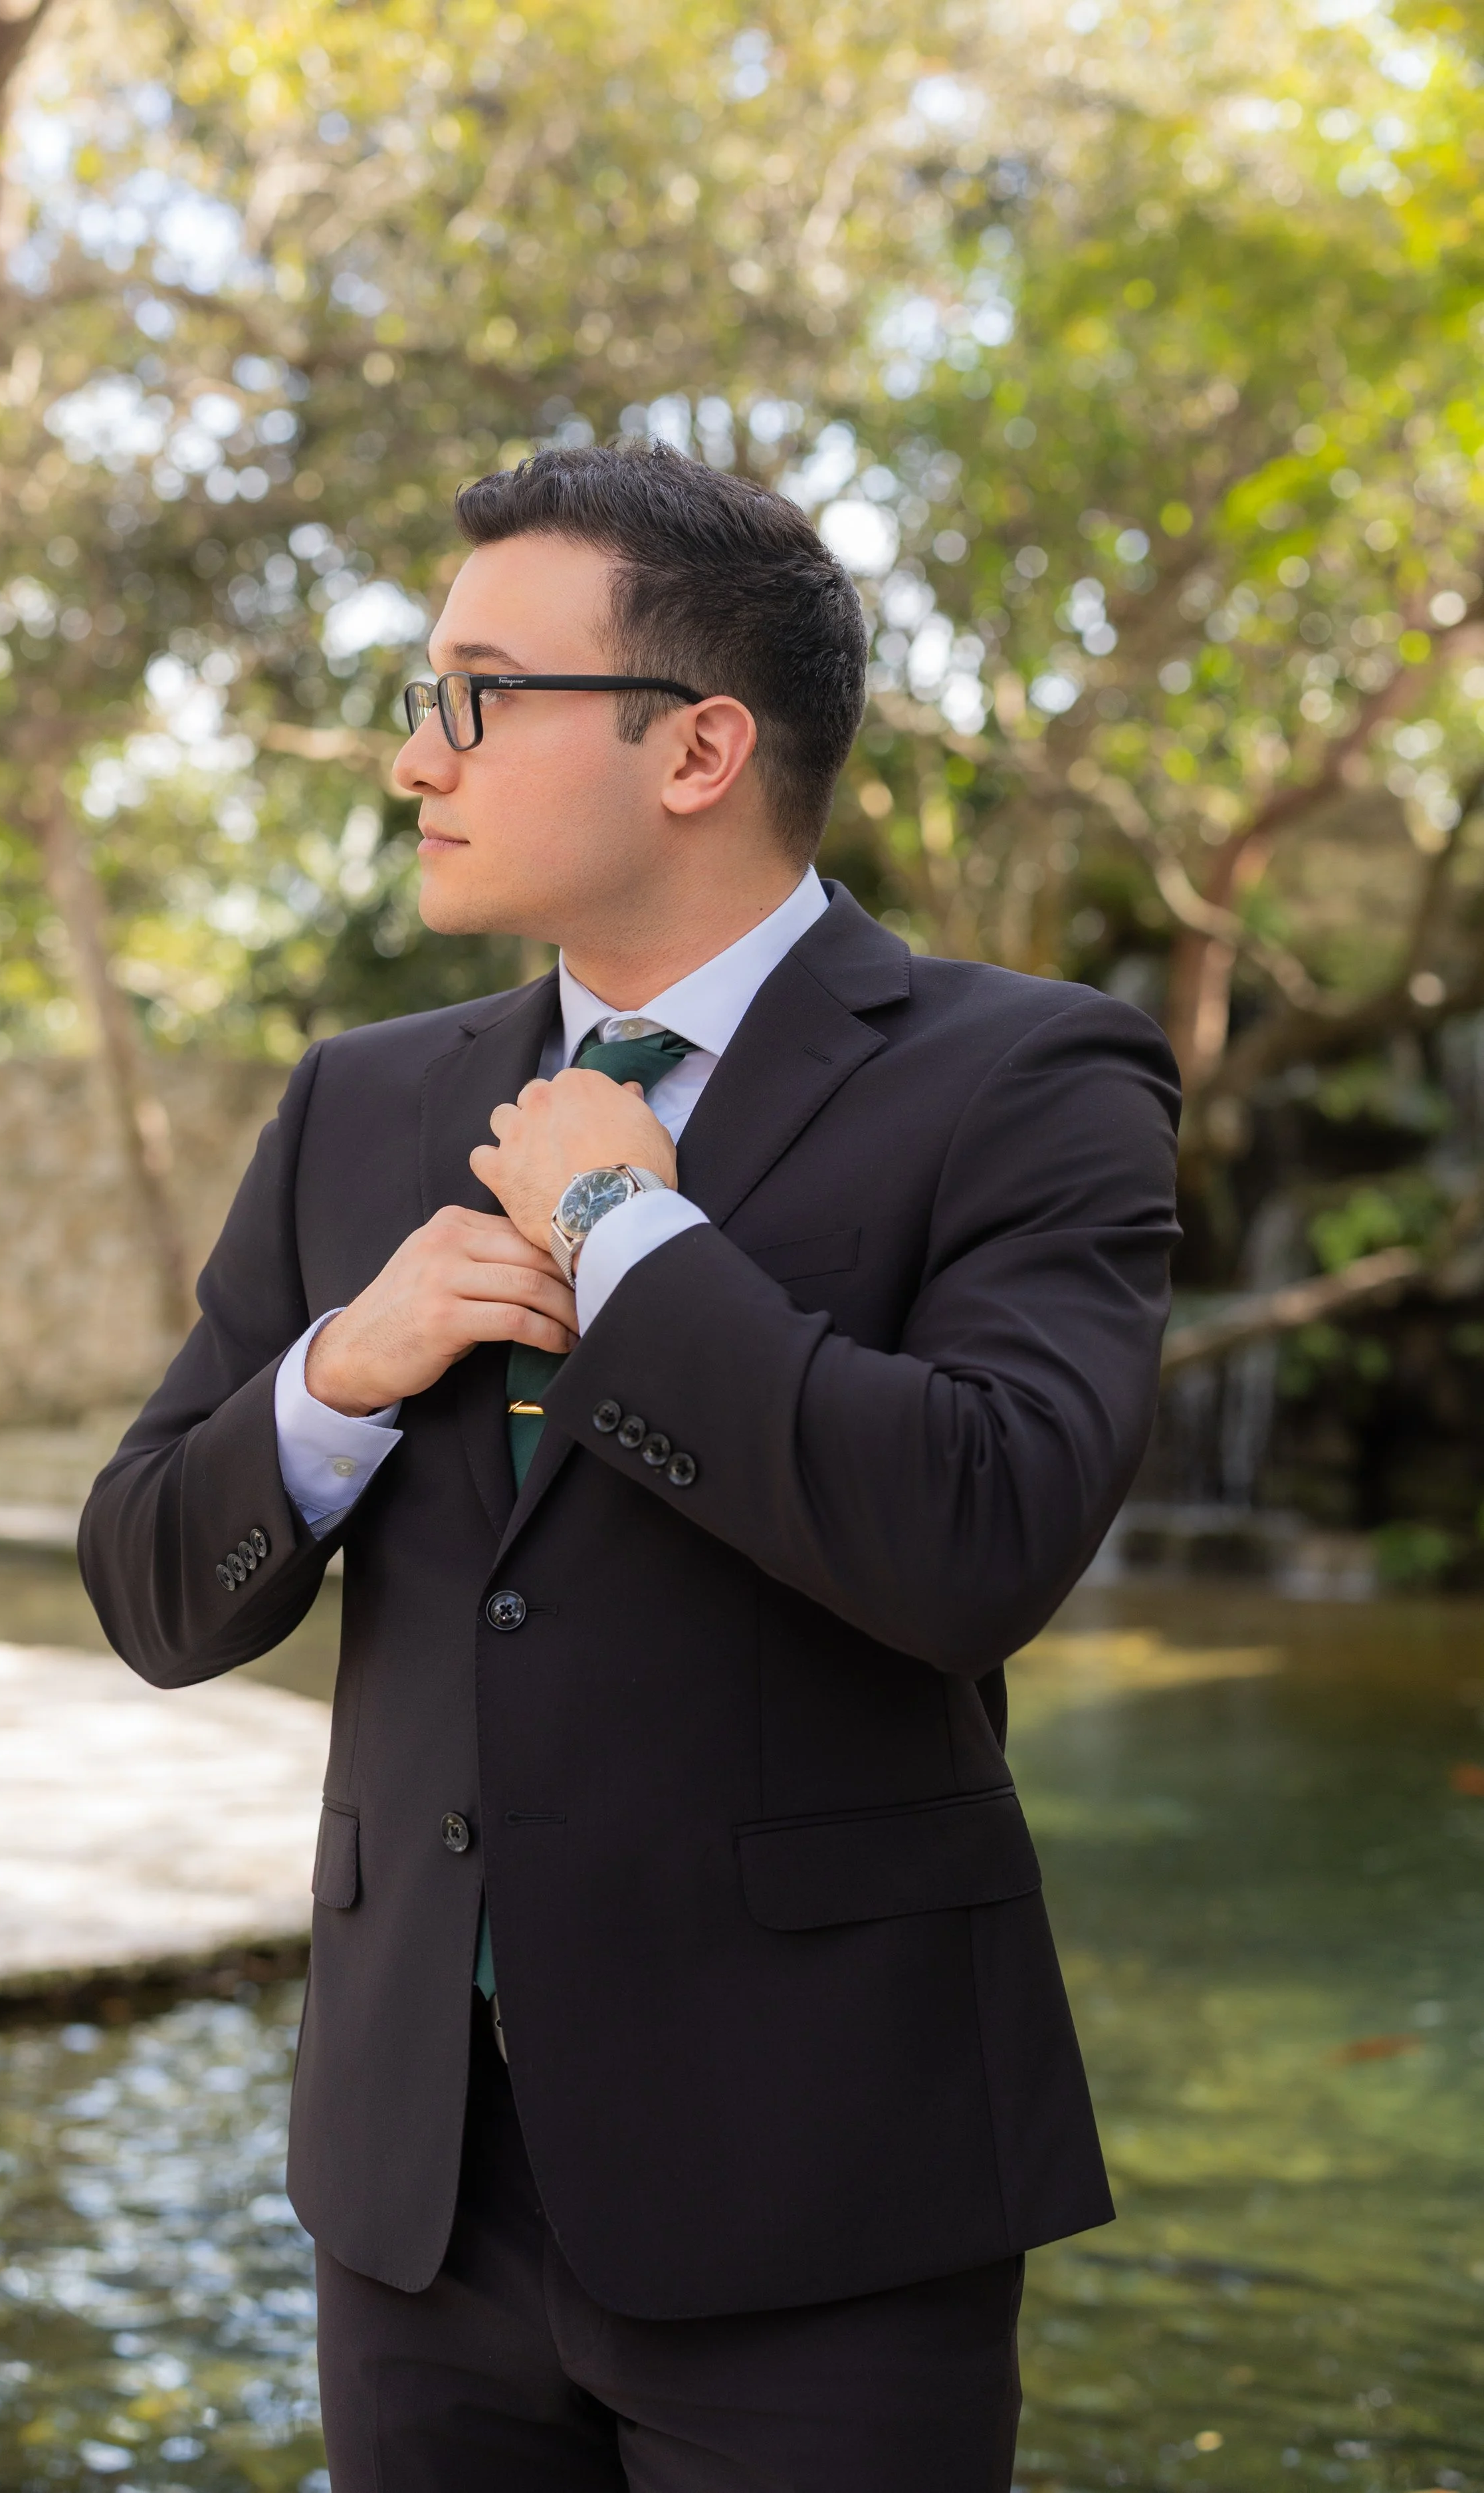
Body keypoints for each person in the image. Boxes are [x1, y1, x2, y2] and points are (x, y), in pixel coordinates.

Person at [79, 438, 1180, 2492]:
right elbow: (148, 1583)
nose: (419, 757)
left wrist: (630, 1239)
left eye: (474, 696)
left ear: (694, 748)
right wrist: (342, 1367)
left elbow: (977, 1539)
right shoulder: (358, 1105)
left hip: (823, 2195)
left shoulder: (1030, 1076)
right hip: (414, 2199)